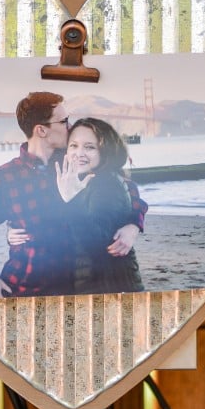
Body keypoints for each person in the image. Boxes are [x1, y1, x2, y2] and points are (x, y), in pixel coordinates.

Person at [0, 92, 146, 298]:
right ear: (41, 130)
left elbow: (124, 188)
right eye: (64, 121)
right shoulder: (4, 178)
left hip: (78, 284)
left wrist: (134, 224)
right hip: (26, 286)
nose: (70, 126)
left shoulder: (75, 160)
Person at [56, 118, 145, 293]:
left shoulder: (106, 184)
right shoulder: (82, 180)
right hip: (93, 280)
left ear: (105, 151)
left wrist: (70, 201)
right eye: (73, 146)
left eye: (89, 147)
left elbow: (94, 241)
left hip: (107, 284)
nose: (79, 153)